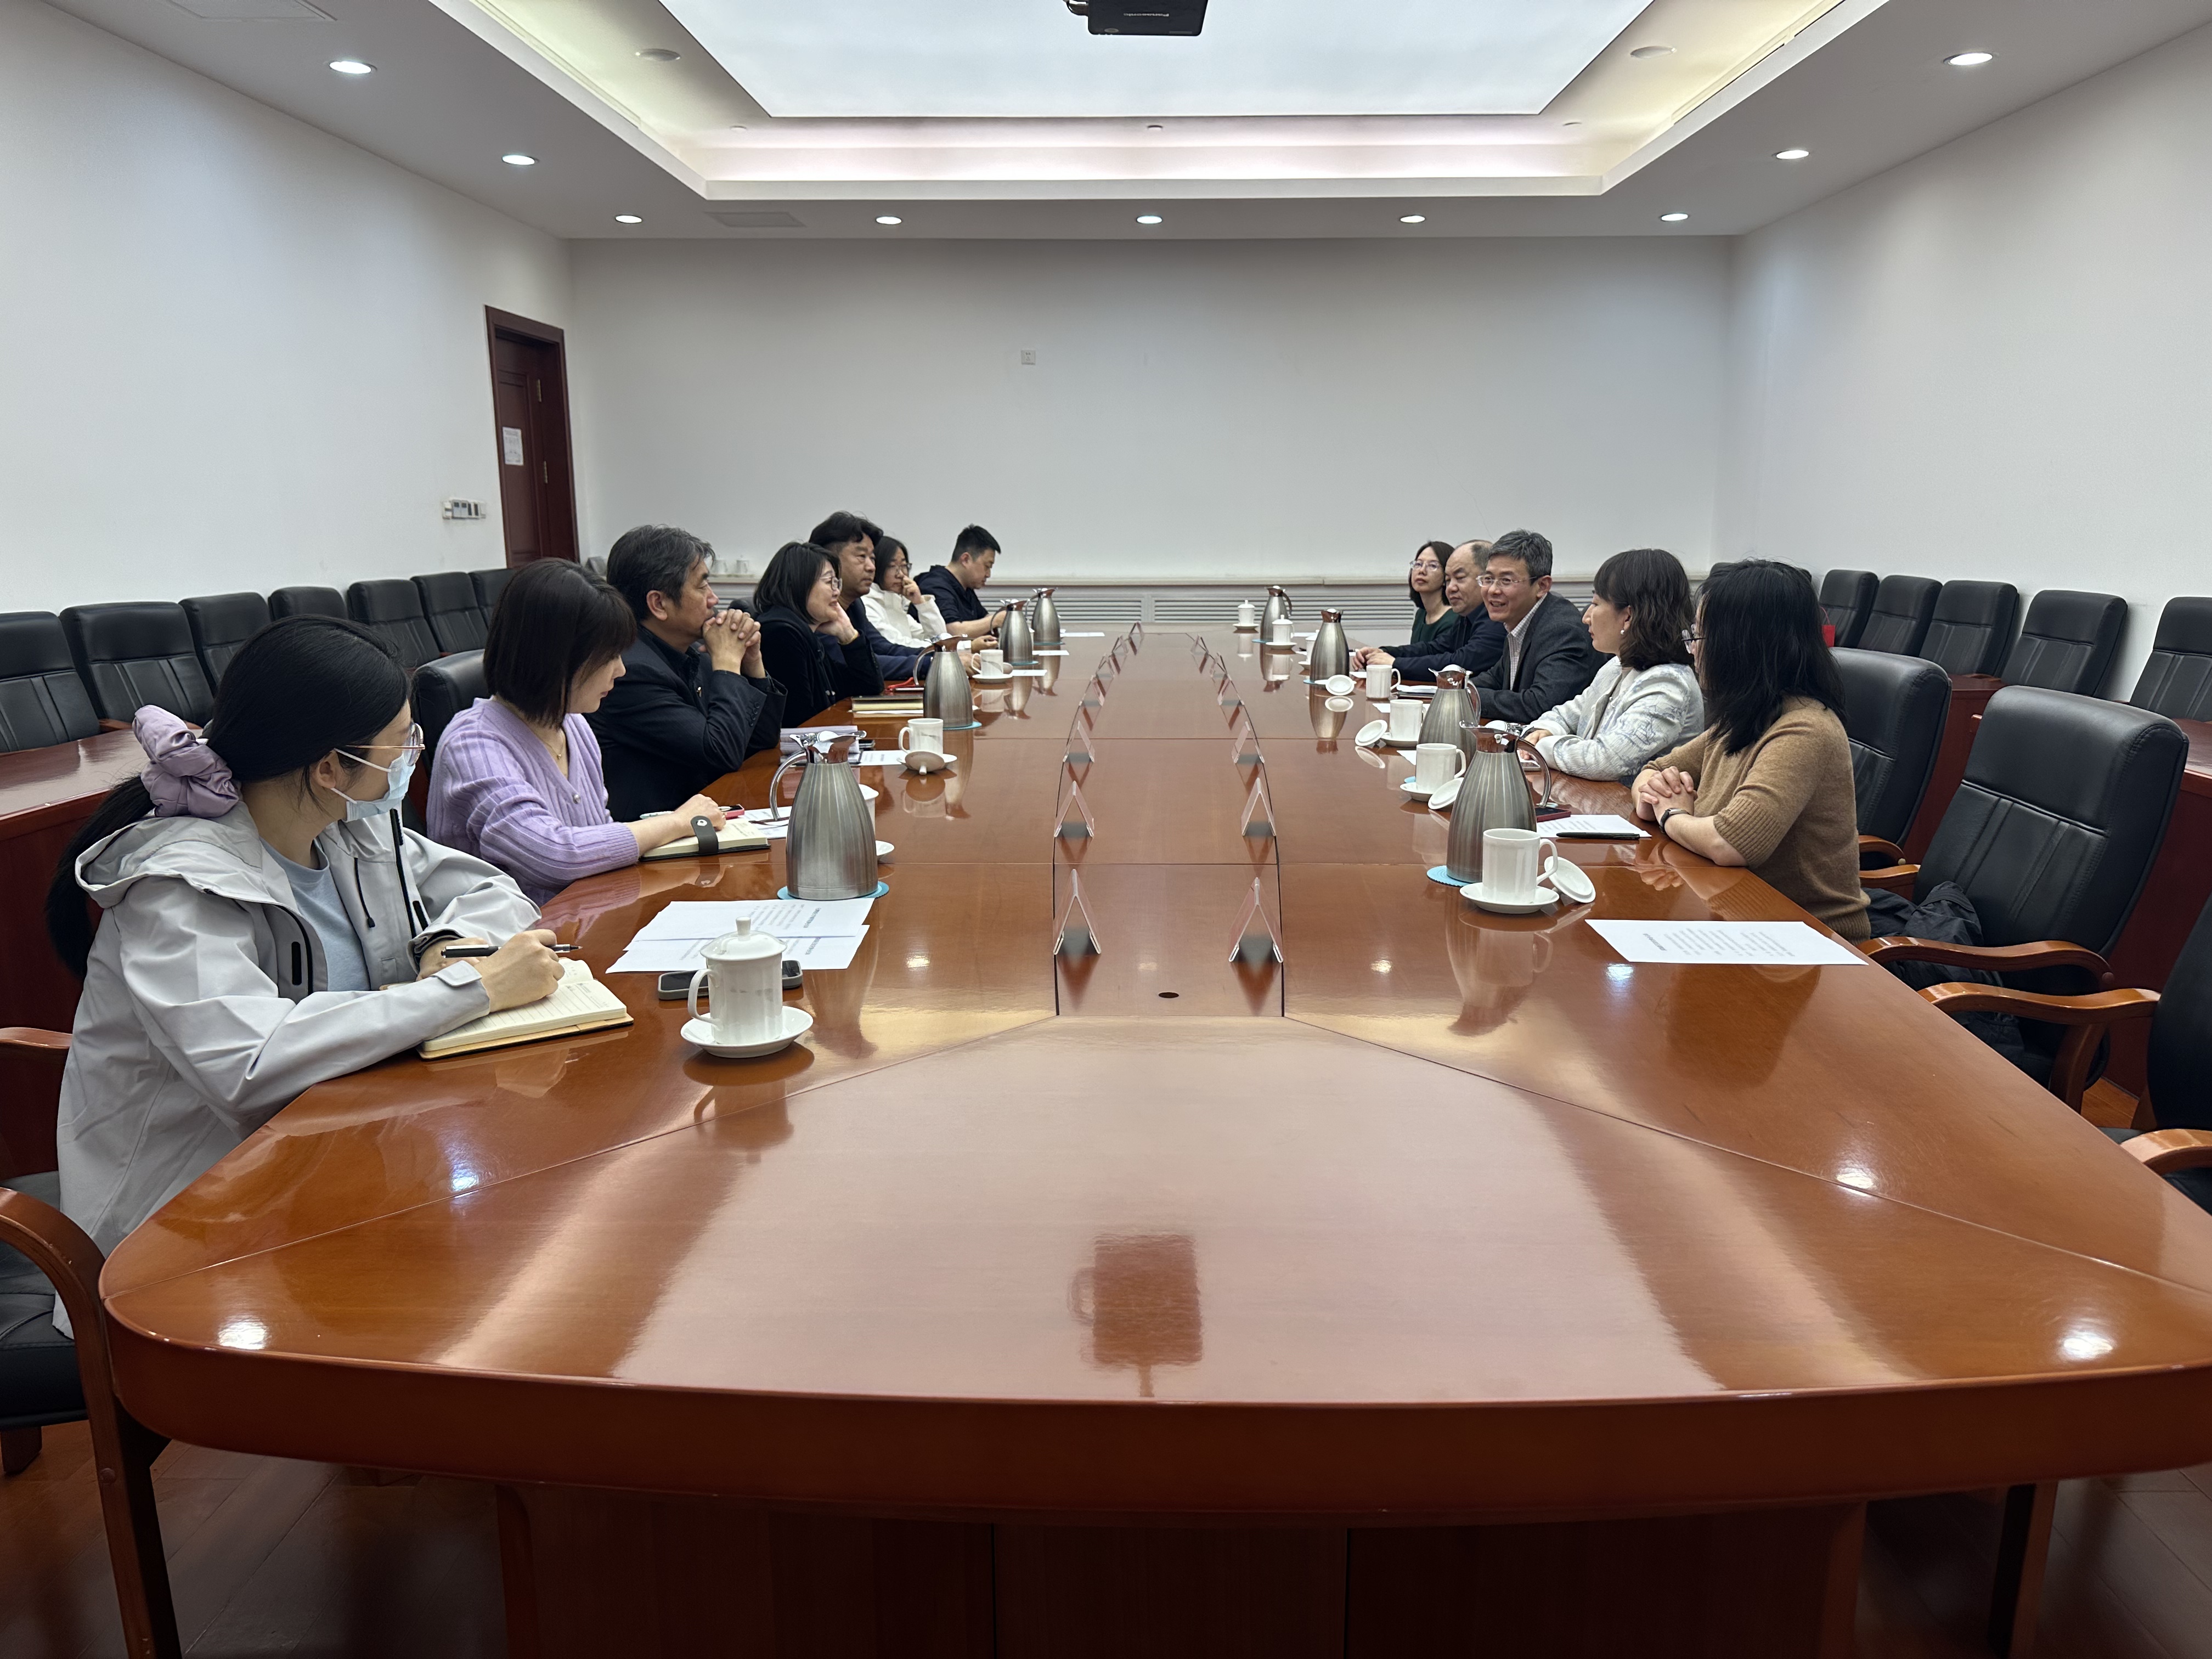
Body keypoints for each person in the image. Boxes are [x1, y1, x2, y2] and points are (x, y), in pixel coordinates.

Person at [43, 616, 557, 1263]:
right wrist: (472, 988)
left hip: (338, 1154)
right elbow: (250, 1066)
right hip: (193, 1219)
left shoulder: (347, 827)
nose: (412, 756)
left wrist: (446, 943)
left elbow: (494, 890)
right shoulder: (178, 885)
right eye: (402, 742)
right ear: (330, 768)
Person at [428, 561, 732, 905]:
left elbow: (599, 838)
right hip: (509, 934)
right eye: (608, 656)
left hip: (582, 919)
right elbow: (555, 856)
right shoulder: (473, 744)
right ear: (555, 658)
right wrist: (676, 823)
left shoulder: (572, 723)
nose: (620, 670)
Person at [1631, 561, 1869, 939]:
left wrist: (1671, 814)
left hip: (1807, 939)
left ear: (1742, 646)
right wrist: (1652, 797)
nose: (1692, 651)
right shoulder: (1746, 716)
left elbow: (1731, 843)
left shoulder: (1806, 728)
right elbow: (1653, 770)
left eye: (1700, 637)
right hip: (1734, 912)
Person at [589, 525, 786, 823]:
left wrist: (752, 664)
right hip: (653, 837)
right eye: (702, 586)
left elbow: (761, 741)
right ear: (659, 604)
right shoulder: (631, 672)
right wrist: (728, 664)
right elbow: (721, 754)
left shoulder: (690, 654)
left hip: (704, 816)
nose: (713, 599)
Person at [1522, 548, 1703, 782]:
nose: (1586, 617)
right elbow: (1568, 714)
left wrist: (1543, 746)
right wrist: (1546, 729)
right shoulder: (1617, 665)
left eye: (1596, 604)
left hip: (1630, 805)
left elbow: (1604, 761)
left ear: (1628, 617)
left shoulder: (1670, 685)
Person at [1464, 529, 1604, 723]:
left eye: (1506, 580)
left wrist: (1469, 697)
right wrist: (1455, 690)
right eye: (1488, 579)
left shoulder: (1562, 630)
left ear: (1542, 586)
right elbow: (1497, 678)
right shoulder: (1519, 619)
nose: (1493, 590)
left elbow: (1540, 705)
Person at [754, 541, 880, 725]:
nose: (837, 592)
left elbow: (868, 688)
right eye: (829, 582)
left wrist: (848, 634)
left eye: (837, 583)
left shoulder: (802, 632)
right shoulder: (781, 635)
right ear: (798, 585)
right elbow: (801, 722)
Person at [1353, 540, 1503, 681]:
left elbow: (1461, 663)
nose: (1451, 588)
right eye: (1448, 580)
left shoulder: (1496, 618)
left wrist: (1395, 663)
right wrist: (1385, 653)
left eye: (1460, 578)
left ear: (1486, 580)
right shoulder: (1467, 617)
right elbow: (1434, 648)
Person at [809, 509, 917, 686]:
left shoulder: (855, 605)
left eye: (872, 558)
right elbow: (849, 665)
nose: (871, 567)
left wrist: (938, 655)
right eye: (861, 557)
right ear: (829, 561)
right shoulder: (817, 607)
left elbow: (883, 648)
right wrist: (931, 663)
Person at [915, 524, 1013, 635]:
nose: (988, 574)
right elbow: (952, 632)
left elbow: (983, 619)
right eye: (987, 566)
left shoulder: (965, 586)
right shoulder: (935, 585)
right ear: (966, 560)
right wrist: (995, 620)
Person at [864, 536, 955, 649]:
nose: (901, 574)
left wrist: (921, 602)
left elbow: (939, 637)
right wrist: (943, 647)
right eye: (892, 566)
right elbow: (899, 644)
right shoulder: (866, 604)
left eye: (904, 566)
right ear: (876, 567)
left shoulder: (895, 604)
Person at [1407, 540, 1455, 644]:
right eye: (1418, 564)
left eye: (1433, 566)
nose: (1422, 571)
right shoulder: (1421, 614)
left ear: (1447, 577)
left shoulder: (1452, 621)